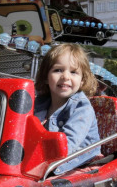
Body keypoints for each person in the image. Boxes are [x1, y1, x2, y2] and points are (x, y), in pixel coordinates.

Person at [33, 43, 101, 173]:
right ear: (46, 77)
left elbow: (68, 144)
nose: (65, 76)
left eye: (73, 72)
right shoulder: (39, 103)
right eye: (58, 70)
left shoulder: (81, 107)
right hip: (48, 162)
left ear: (82, 80)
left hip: (79, 164)